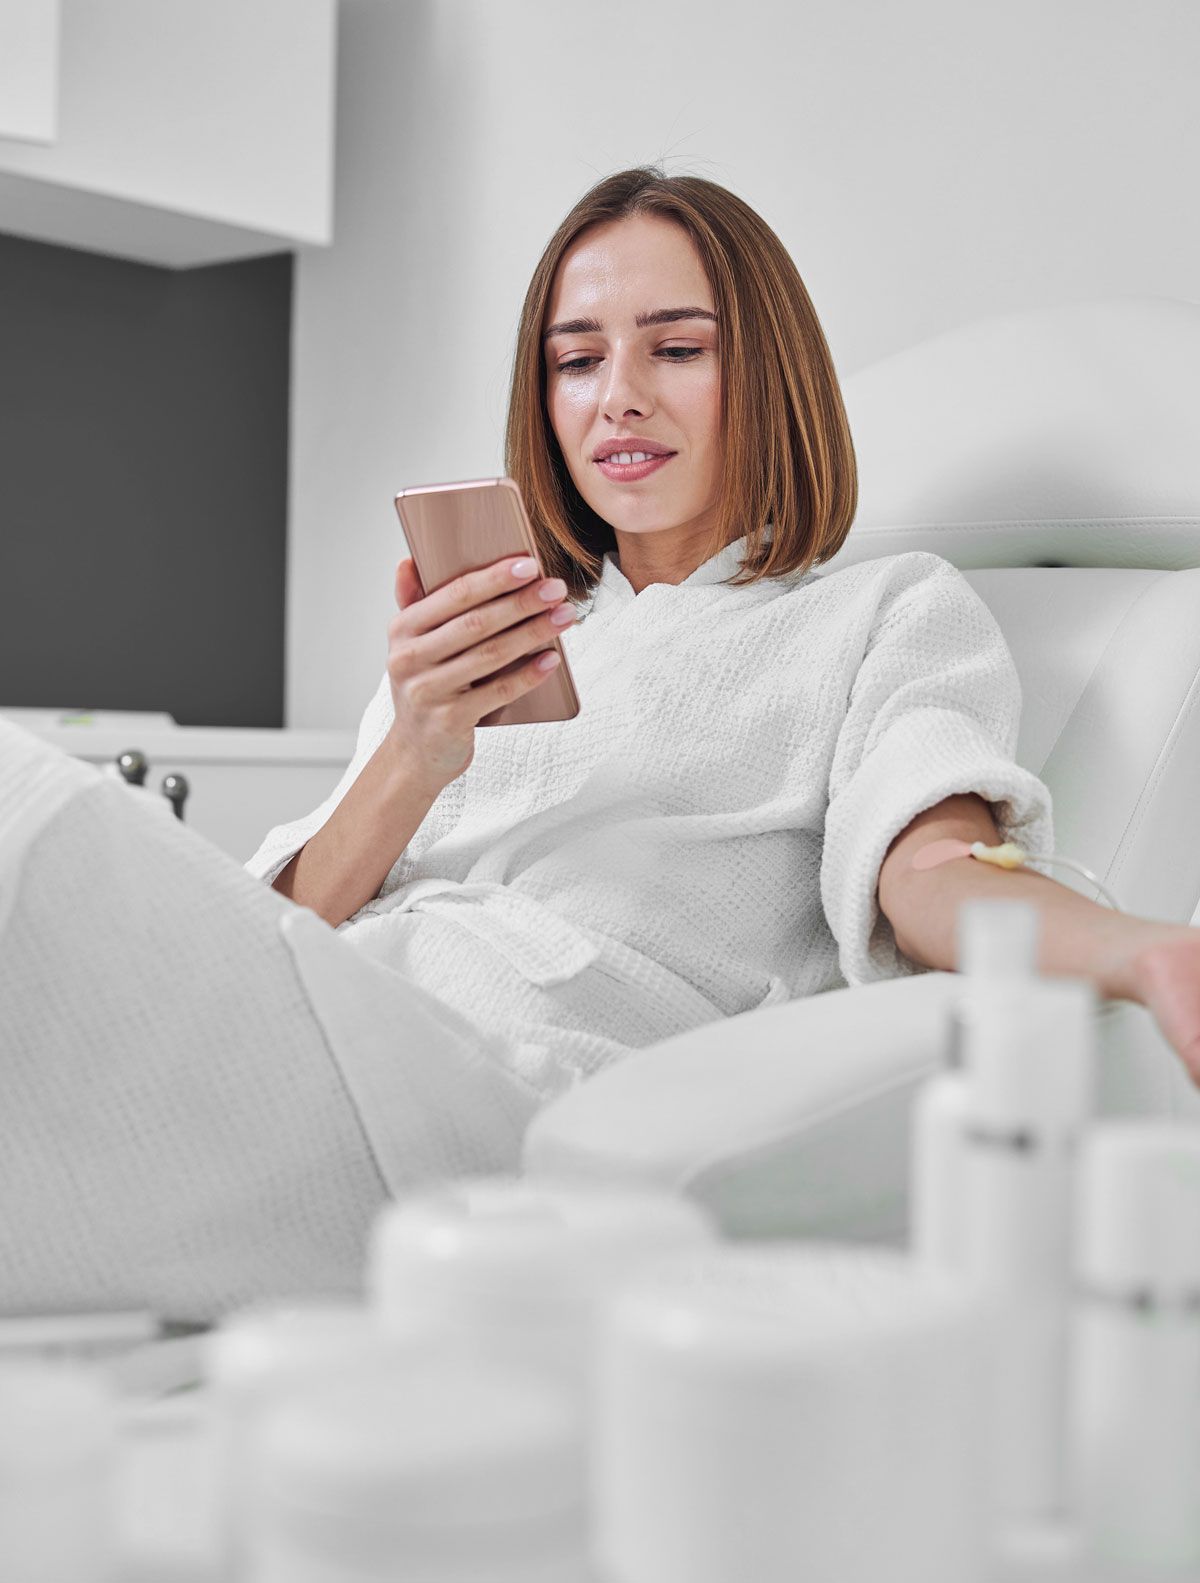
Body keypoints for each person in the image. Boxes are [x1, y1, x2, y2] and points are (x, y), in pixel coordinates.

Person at [3, 167, 1197, 1318]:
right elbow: (285, 916)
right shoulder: (490, 639)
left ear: (766, 373)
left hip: (498, 1093)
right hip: (336, 1016)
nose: (617, 395)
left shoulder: (879, 612)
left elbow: (936, 874)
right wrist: (417, 745)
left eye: (676, 348)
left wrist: (1147, 950)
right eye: (577, 360)